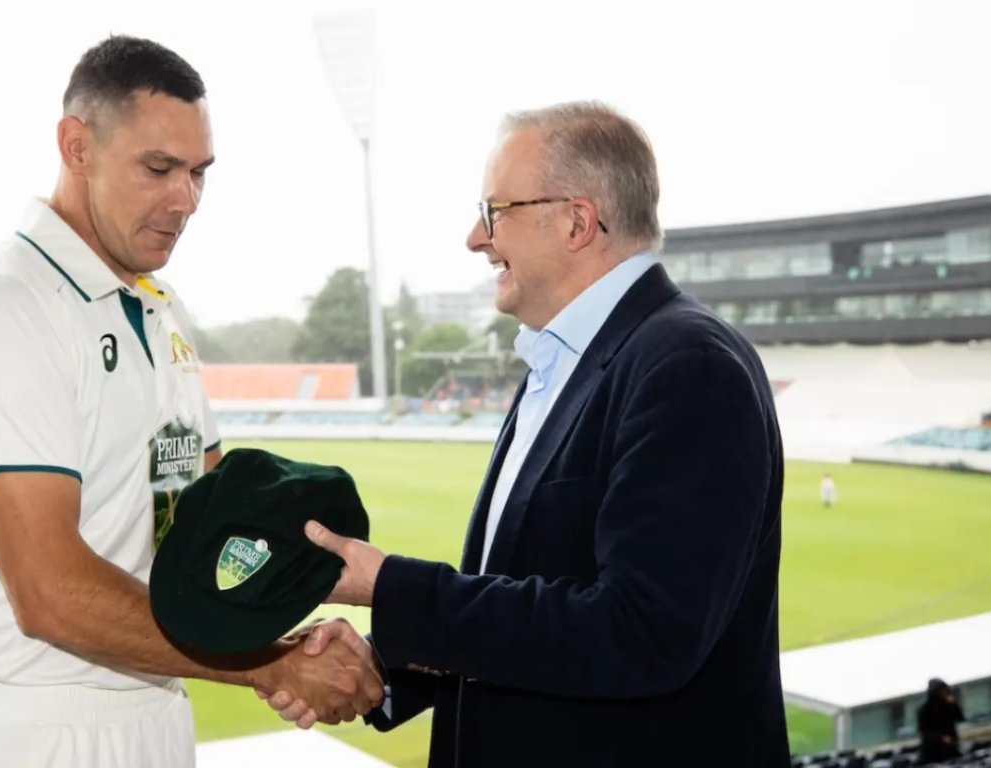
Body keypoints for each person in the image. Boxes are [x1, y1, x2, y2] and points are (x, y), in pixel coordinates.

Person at [260, 101, 792, 766]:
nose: (475, 239)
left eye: (494, 212)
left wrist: (392, 588)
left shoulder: (687, 365)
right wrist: (383, 673)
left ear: (576, 220)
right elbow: (533, 603)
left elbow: (642, 633)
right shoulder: (566, 361)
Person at [0, 35, 381, 768]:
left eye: (199, 173)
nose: (185, 200)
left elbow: (210, 514)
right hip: (32, 729)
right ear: (77, 147)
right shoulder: (8, 306)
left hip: (155, 709)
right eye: (159, 168)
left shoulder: (161, 308)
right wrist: (270, 664)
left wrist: (316, 613)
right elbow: (50, 592)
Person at [918, 678, 965, 764]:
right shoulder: (925, 709)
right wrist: (940, 738)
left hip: (950, 748)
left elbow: (960, 718)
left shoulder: (947, 704)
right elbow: (924, 731)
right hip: (933, 751)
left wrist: (954, 704)